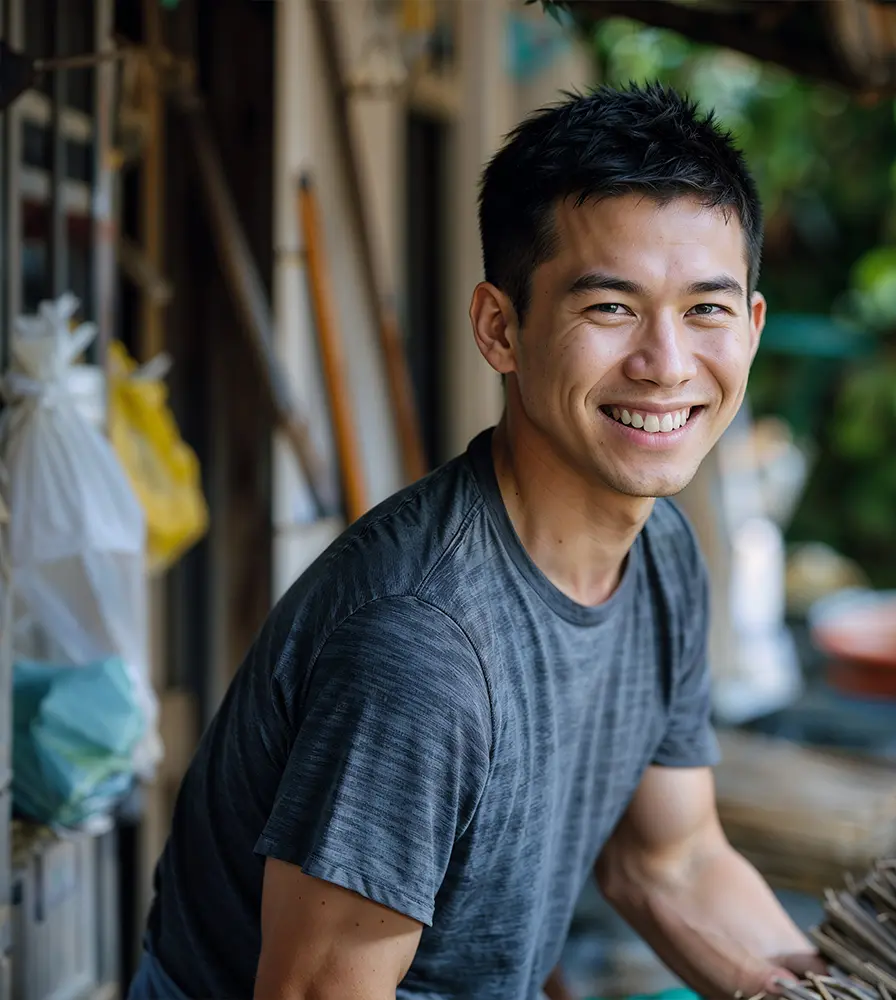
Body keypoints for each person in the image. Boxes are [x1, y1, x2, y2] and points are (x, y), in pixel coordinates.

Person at [129, 82, 822, 1000]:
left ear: (753, 325)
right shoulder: (423, 649)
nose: (666, 364)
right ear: (501, 328)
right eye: (610, 308)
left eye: (706, 309)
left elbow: (673, 860)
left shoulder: (661, 558)